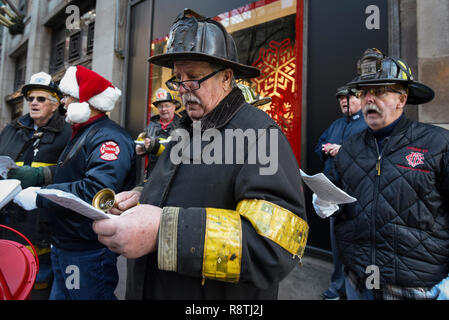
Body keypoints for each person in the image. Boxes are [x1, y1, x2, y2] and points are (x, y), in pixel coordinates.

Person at [92, 9, 309, 300]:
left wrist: (162, 232)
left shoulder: (260, 134)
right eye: (178, 78)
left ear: (227, 78)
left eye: (193, 78)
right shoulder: (188, 128)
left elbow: (273, 247)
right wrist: (145, 195)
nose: (182, 90)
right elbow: (192, 190)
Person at [313, 48, 449, 300]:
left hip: (416, 289)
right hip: (358, 282)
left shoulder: (438, 144)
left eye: (380, 91)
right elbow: (336, 195)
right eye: (364, 92)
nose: (369, 99)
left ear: (402, 99)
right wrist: (324, 201)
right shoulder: (350, 147)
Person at [13, 65, 136, 300]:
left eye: (68, 96)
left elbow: (97, 190)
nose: (64, 103)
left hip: (87, 248)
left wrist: (41, 195)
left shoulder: (108, 137)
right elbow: (71, 174)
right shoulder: (84, 132)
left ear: (85, 102)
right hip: (68, 243)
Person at [0, 71, 72, 298]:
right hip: (9, 217)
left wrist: (41, 175)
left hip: (44, 221)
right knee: (9, 274)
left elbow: (75, 171)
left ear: (54, 104)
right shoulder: (12, 129)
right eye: (31, 98)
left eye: (41, 99)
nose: (33, 103)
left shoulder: (69, 132)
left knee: (39, 279)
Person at [314, 85, 366, 300]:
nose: (345, 101)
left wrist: (343, 150)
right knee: (337, 244)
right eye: (341, 98)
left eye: (350, 97)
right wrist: (326, 148)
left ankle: (358, 291)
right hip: (333, 193)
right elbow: (319, 145)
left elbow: (372, 153)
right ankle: (337, 288)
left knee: (359, 246)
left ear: (362, 99)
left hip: (359, 194)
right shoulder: (336, 124)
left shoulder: (368, 124)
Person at [136, 88, 181, 180]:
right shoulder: (150, 126)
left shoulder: (182, 125)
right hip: (153, 174)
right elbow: (143, 148)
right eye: (160, 106)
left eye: (167, 105)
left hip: (173, 174)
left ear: (174, 107)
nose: (164, 109)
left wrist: (155, 146)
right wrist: (141, 150)